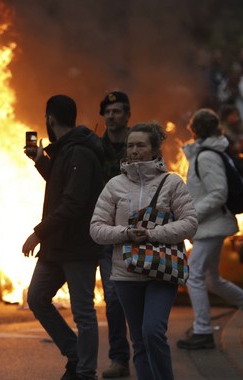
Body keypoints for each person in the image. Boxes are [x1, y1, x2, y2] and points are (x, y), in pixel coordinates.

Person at [90, 122, 197, 380]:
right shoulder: (114, 185)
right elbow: (96, 228)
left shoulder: (171, 183)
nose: (134, 150)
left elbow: (190, 223)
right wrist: (125, 233)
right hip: (126, 273)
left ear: (154, 149)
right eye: (130, 146)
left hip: (162, 271)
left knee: (152, 332)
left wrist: (151, 234)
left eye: (140, 145)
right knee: (138, 341)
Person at [22, 95, 105, 380]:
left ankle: (85, 371)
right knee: (36, 297)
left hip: (78, 246)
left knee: (83, 312)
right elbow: (63, 186)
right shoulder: (66, 151)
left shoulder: (80, 151)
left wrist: (37, 233)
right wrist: (41, 161)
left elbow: (73, 203)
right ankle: (75, 352)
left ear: (50, 118)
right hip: (58, 246)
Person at [176, 108, 243, 351]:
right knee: (210, 279)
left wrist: (192, 214)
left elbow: (218, 192)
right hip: (210, 225)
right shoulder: (209, 153)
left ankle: (203, 331)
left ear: (195, 130)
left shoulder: (207, 156)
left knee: (193, 275)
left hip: (211, 226)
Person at [97, 91, 132, 379]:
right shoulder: (96, 148)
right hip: (108, 236)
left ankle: (146, 354)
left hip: (137, 235)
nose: (111, 116)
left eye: (117, 111)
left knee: (140, 298)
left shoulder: (139, 145)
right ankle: (119, 359)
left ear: (127, 115)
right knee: (113, 298)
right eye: (107, 111)